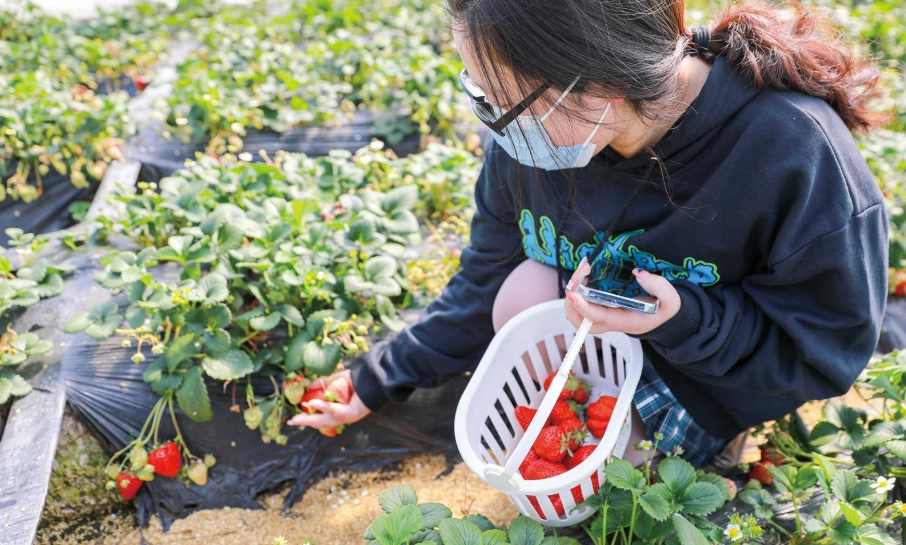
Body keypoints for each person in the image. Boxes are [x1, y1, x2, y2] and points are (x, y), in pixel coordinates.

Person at [289, 0, 889, 469]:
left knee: (600, 485)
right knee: (521, 290)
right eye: (479, 94)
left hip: (711, 374)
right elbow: (486, 272)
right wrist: (376, 377)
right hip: (599, 344)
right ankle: (594, 410)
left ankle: (709, 442)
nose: (494, 123)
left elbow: (821, 354)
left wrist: (685, 320)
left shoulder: (792, 153)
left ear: (603, 84)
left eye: (503, 101)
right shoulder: (532, 140)